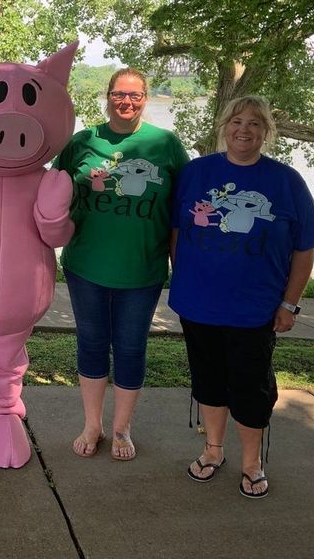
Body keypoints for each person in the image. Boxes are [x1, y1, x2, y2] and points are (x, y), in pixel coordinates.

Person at [169, 95, 314, 499]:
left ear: (266, 132)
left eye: (255, 124)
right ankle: (213, 450)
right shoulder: (195, 173)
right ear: (224, 126)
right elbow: (176, 231)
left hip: (255, 309)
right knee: (208, 381)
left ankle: (252, 462)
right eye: (236, 121)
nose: (244, 129)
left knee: (251, 386)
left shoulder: (286, 181)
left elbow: (304, 248)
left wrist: (289, 303)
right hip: (198, 303)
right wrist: (185, 277)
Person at [56, 68, 188, 460]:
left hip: (142, 269)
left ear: (146, 98)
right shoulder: (83, 142)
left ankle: (122, 428)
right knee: (92, 343)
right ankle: (92, 424)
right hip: (86, 266)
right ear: (107, 96)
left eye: (135, 95)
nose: (126, 101)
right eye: (119, 94)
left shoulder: (165, 144)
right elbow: (51, 196)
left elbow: (184, 208)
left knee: (131, 347)